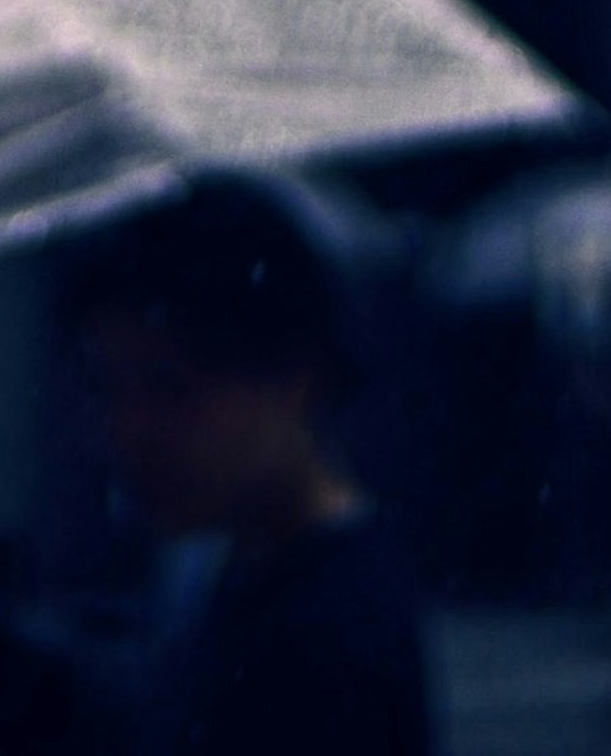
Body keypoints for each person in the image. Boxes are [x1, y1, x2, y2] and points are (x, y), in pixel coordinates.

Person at [45, 173, 437, 756]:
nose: (128, 431)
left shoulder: (330, 634)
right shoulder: (252, 567)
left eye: (171, 389)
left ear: (294, 380)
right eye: (110, 389)